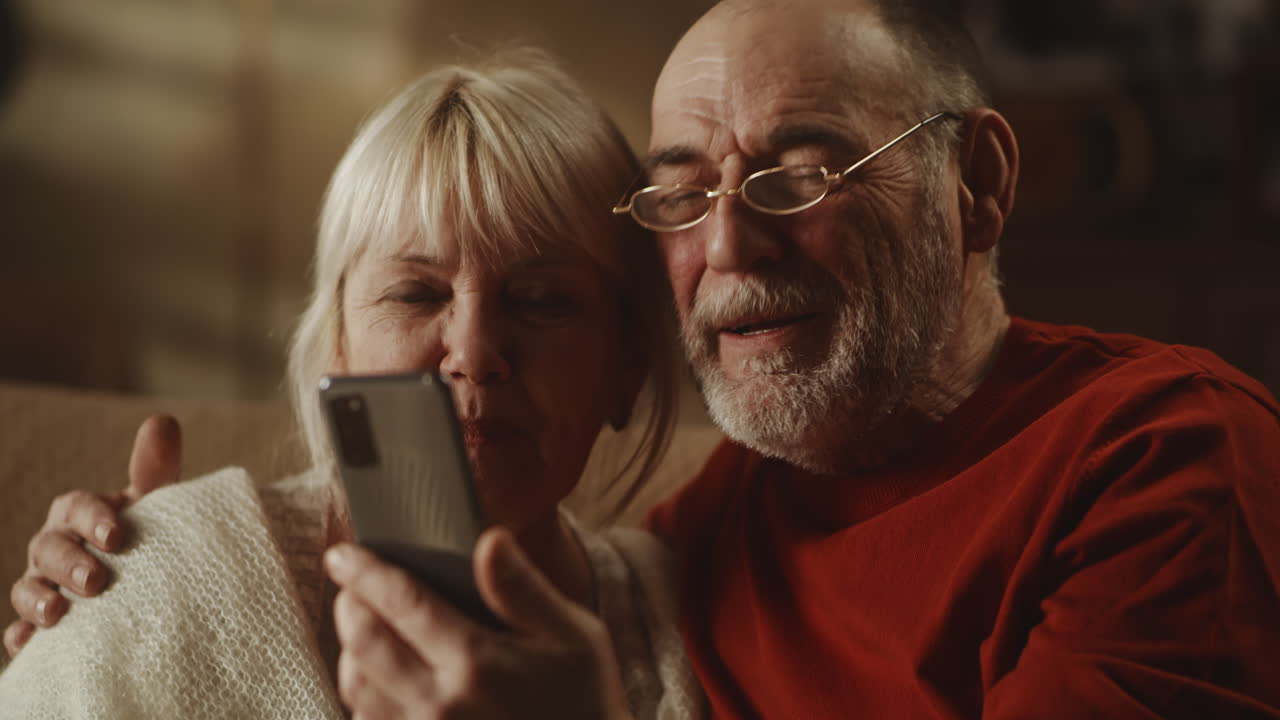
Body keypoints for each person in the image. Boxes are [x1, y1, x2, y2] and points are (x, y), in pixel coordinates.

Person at [1, 49, 704, 719]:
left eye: (541, 300)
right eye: (416, 294)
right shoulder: (166, 569)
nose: (473, 353)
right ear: (337, 346)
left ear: (628, 365)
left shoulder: (677, 611)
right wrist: (148, 584)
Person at [625, 0, 1280, 718]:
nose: (726, 246)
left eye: (805, 174)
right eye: (682, 195)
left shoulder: (1162, 450)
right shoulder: (707, 525)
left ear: (978, 181)